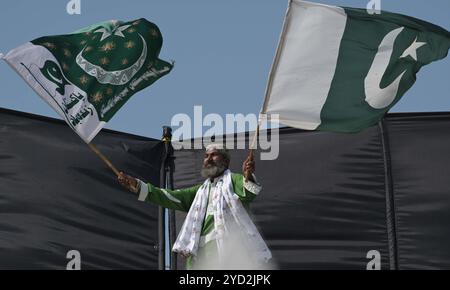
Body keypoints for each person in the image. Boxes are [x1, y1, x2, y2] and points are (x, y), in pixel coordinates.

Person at [118, 143, 272, 269]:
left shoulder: (234, 181)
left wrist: (248, 175)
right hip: (200, 257)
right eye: (206, 156)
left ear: (225, 161)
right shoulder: (199, 192)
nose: (208, 159)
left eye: (214, 155)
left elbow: (249, 191)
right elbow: (170, 197)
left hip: (227, 253)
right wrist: (139, 186)